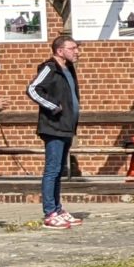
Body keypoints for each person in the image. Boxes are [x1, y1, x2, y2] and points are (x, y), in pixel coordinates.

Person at [28, 34, 82, 227]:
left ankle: (58, 208)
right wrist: (52, 106)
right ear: (60, 51)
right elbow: (33, 89)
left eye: (77, 48)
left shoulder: (69, 69)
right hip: (53, 126)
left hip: (67, 126)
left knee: (60, 169)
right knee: (52, 169)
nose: (77, 51)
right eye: (72, 48)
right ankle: (49, 212)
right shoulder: (50, 68)